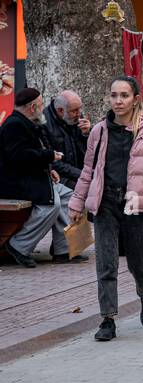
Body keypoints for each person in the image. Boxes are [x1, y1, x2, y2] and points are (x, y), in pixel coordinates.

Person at [68, 77, 143, 341]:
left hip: (135, 205)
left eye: (124, 95)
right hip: (105, 205)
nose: (118, 101)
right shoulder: (100, 131)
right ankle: (107, 319)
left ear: (135, 98)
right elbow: (88, 171)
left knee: (139, 264)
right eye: (114, 95)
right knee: (106, 264)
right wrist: (76, 203)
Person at [0, 87, 73, 266]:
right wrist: (49, 156)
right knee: (51, 204)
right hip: (13, 182)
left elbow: (31, 153)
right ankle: (19, 246)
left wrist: (49, 168)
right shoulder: (14, 125)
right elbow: (19, 157)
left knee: (68, 196)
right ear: (32, 107)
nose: (43, 107)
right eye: (40, 104)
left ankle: (62, 249)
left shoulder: (26, 122)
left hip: (28, 178)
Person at [44, 90, 91, 188]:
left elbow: (88, 152)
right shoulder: (44, 123)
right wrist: (81, 175)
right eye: (75, 110)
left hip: (78, 173)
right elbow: (52, 161)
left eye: (80, 109)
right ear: (61, 110)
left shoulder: (75, 118)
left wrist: (86, 134)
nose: (79, 113)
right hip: (59, 178)